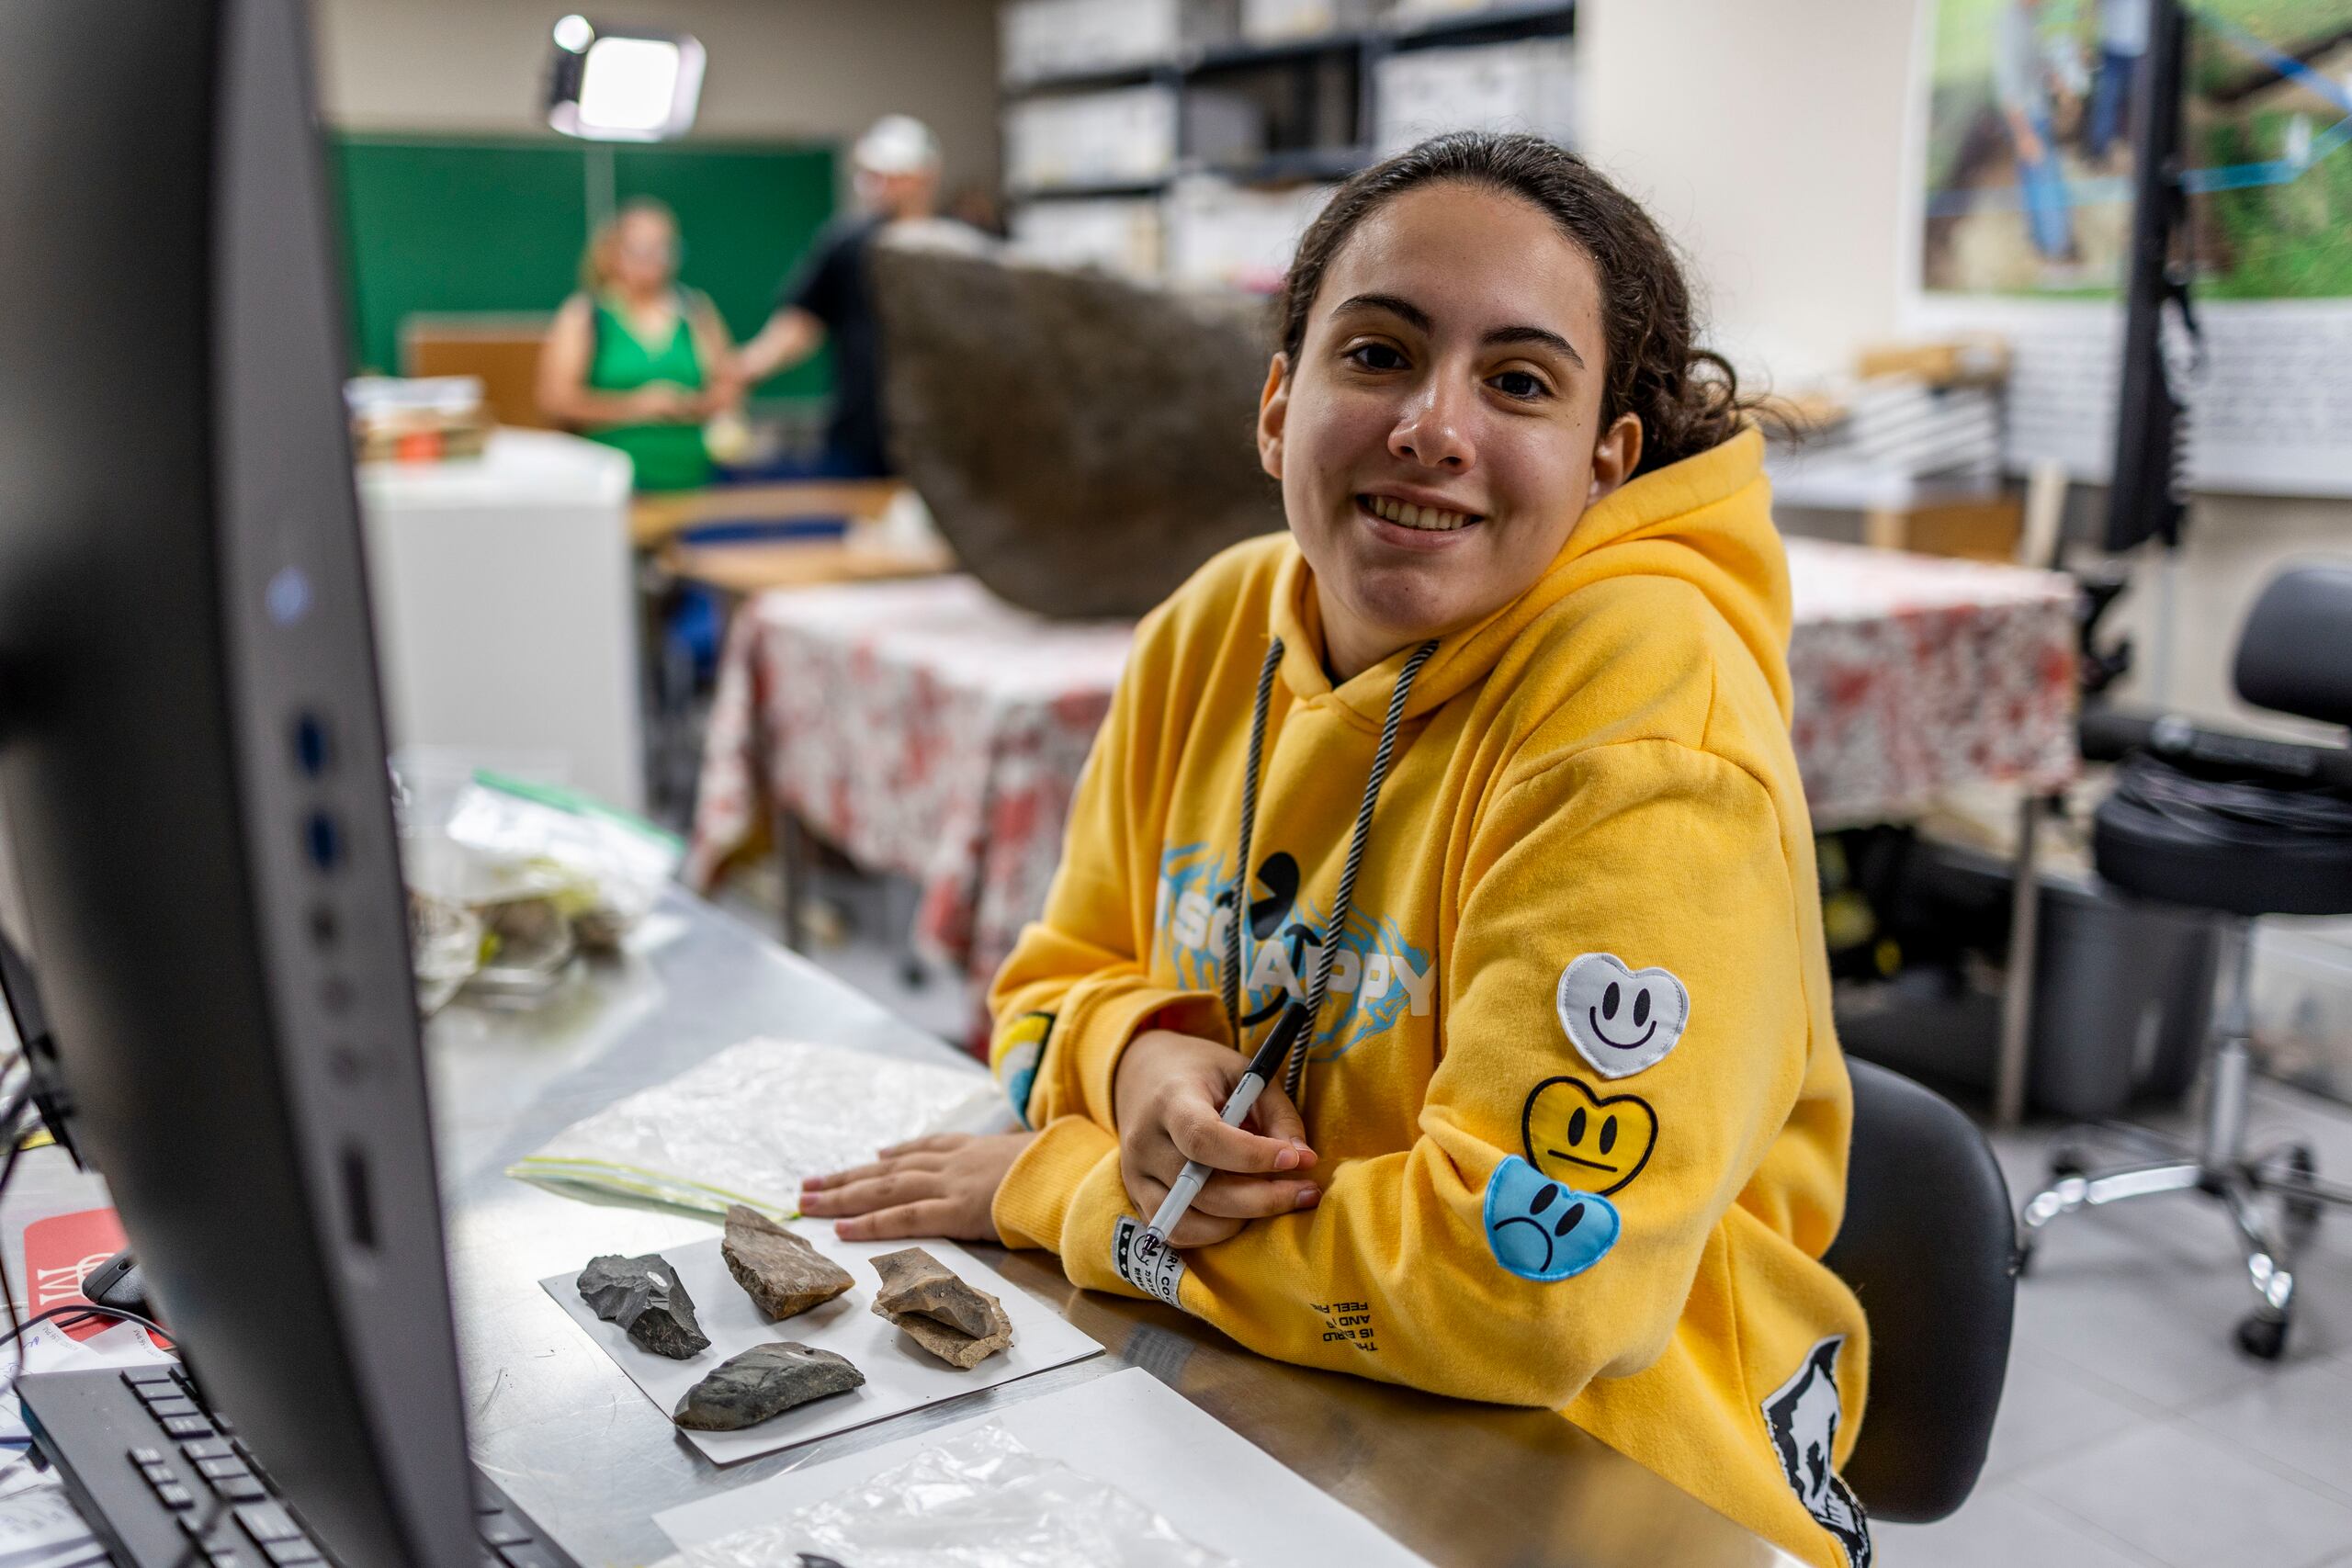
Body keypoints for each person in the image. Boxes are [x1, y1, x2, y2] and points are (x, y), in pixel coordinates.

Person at [801, 133, 1873, 1568]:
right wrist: (1135, 1053)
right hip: (1256, 1392)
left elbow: (1527, 1294)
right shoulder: (1213, 624)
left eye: (1520, 381)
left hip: (1609, 1476)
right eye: (1378, 352)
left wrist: (1054, 1184)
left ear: (1607, 457)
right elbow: (1044, 987)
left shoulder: (1646, 720)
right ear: (1277, 403)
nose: (1436, 425)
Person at [733, 115, 944, 479]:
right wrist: (745, 367)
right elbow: (801, 323)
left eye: (896, 175)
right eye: (876, 175)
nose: (883, 186)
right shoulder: (847, 245)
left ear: (924, 177)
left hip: (942, 438)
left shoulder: (959, 251)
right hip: (860, 435)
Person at [537, 197, 739, 491]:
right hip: (611, 480)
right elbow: (555, 401)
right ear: (614, 253)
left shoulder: (696, 310)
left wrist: (688, 404)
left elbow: (728, 383)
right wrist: (637, 406)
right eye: (643, 249)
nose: (656, 259)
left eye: (666, 248)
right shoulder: (586, 315)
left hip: (694, 479)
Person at [1994, 0, 2078, 262]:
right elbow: (2009, 87)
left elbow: (2035, 58)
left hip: (2033, 115)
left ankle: (2042, 245)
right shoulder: (2010, 24)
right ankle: (2058, 253)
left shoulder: (2025, 18)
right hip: (2027, 119)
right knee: (2046, 182)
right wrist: (2024, 134)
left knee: (2035, 181)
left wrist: (2054, 78)